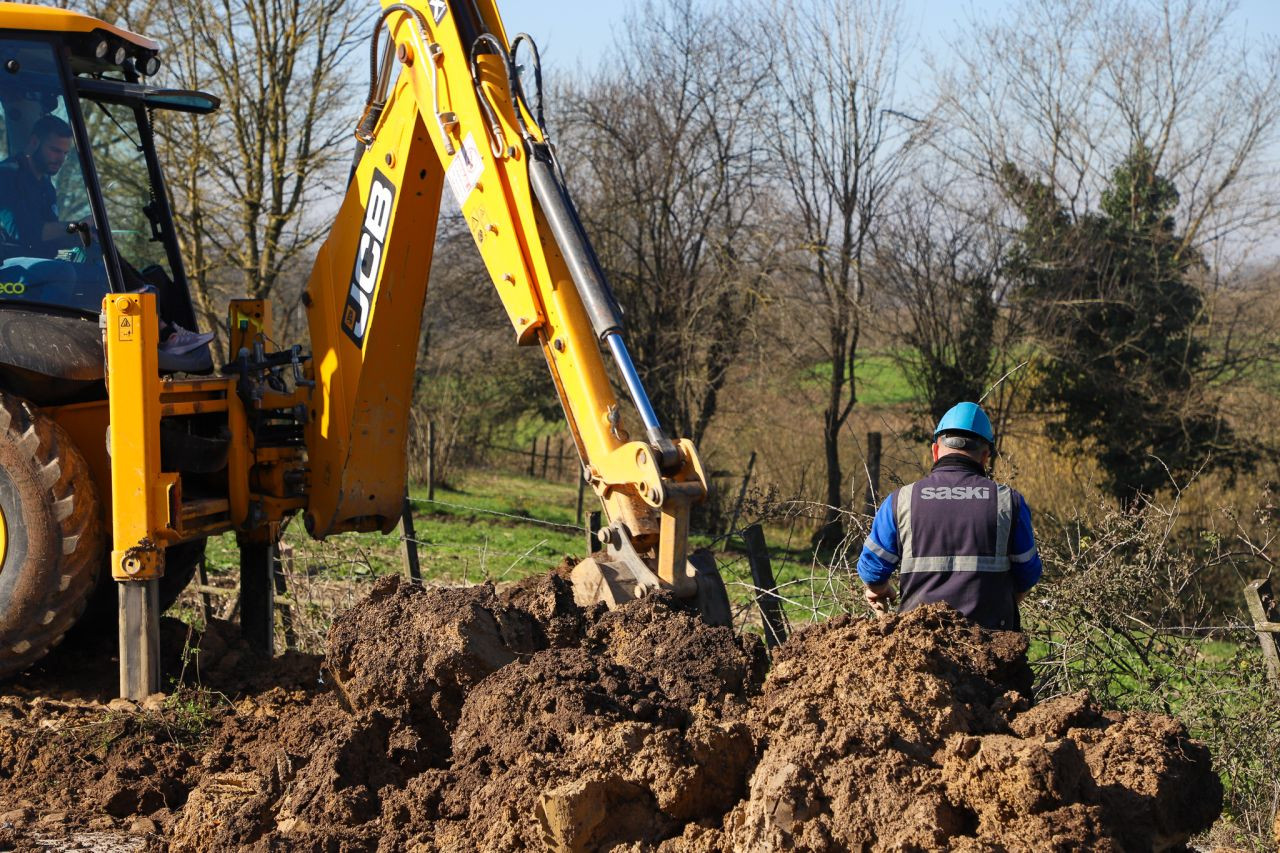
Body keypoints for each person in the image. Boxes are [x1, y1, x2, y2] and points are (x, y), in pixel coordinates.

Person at [857, 402, 1042, 630]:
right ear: (985, 456)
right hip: (992, 646)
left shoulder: (900, 501)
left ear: (935, 450)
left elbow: (872, 570)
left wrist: (879, 590)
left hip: (919, 644)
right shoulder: (1009, 502)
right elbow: (1028, 574)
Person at [0, 114, 91, 254]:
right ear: (34, 142)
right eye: (55, 151)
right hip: (9, 266)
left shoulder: (47, 187)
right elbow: (22, 232)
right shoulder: (6, 176)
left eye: (65, 153)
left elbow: (50, 238)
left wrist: (85, 236)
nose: (61, 159)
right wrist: (78, 226)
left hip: (41, 264)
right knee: (65, 273)